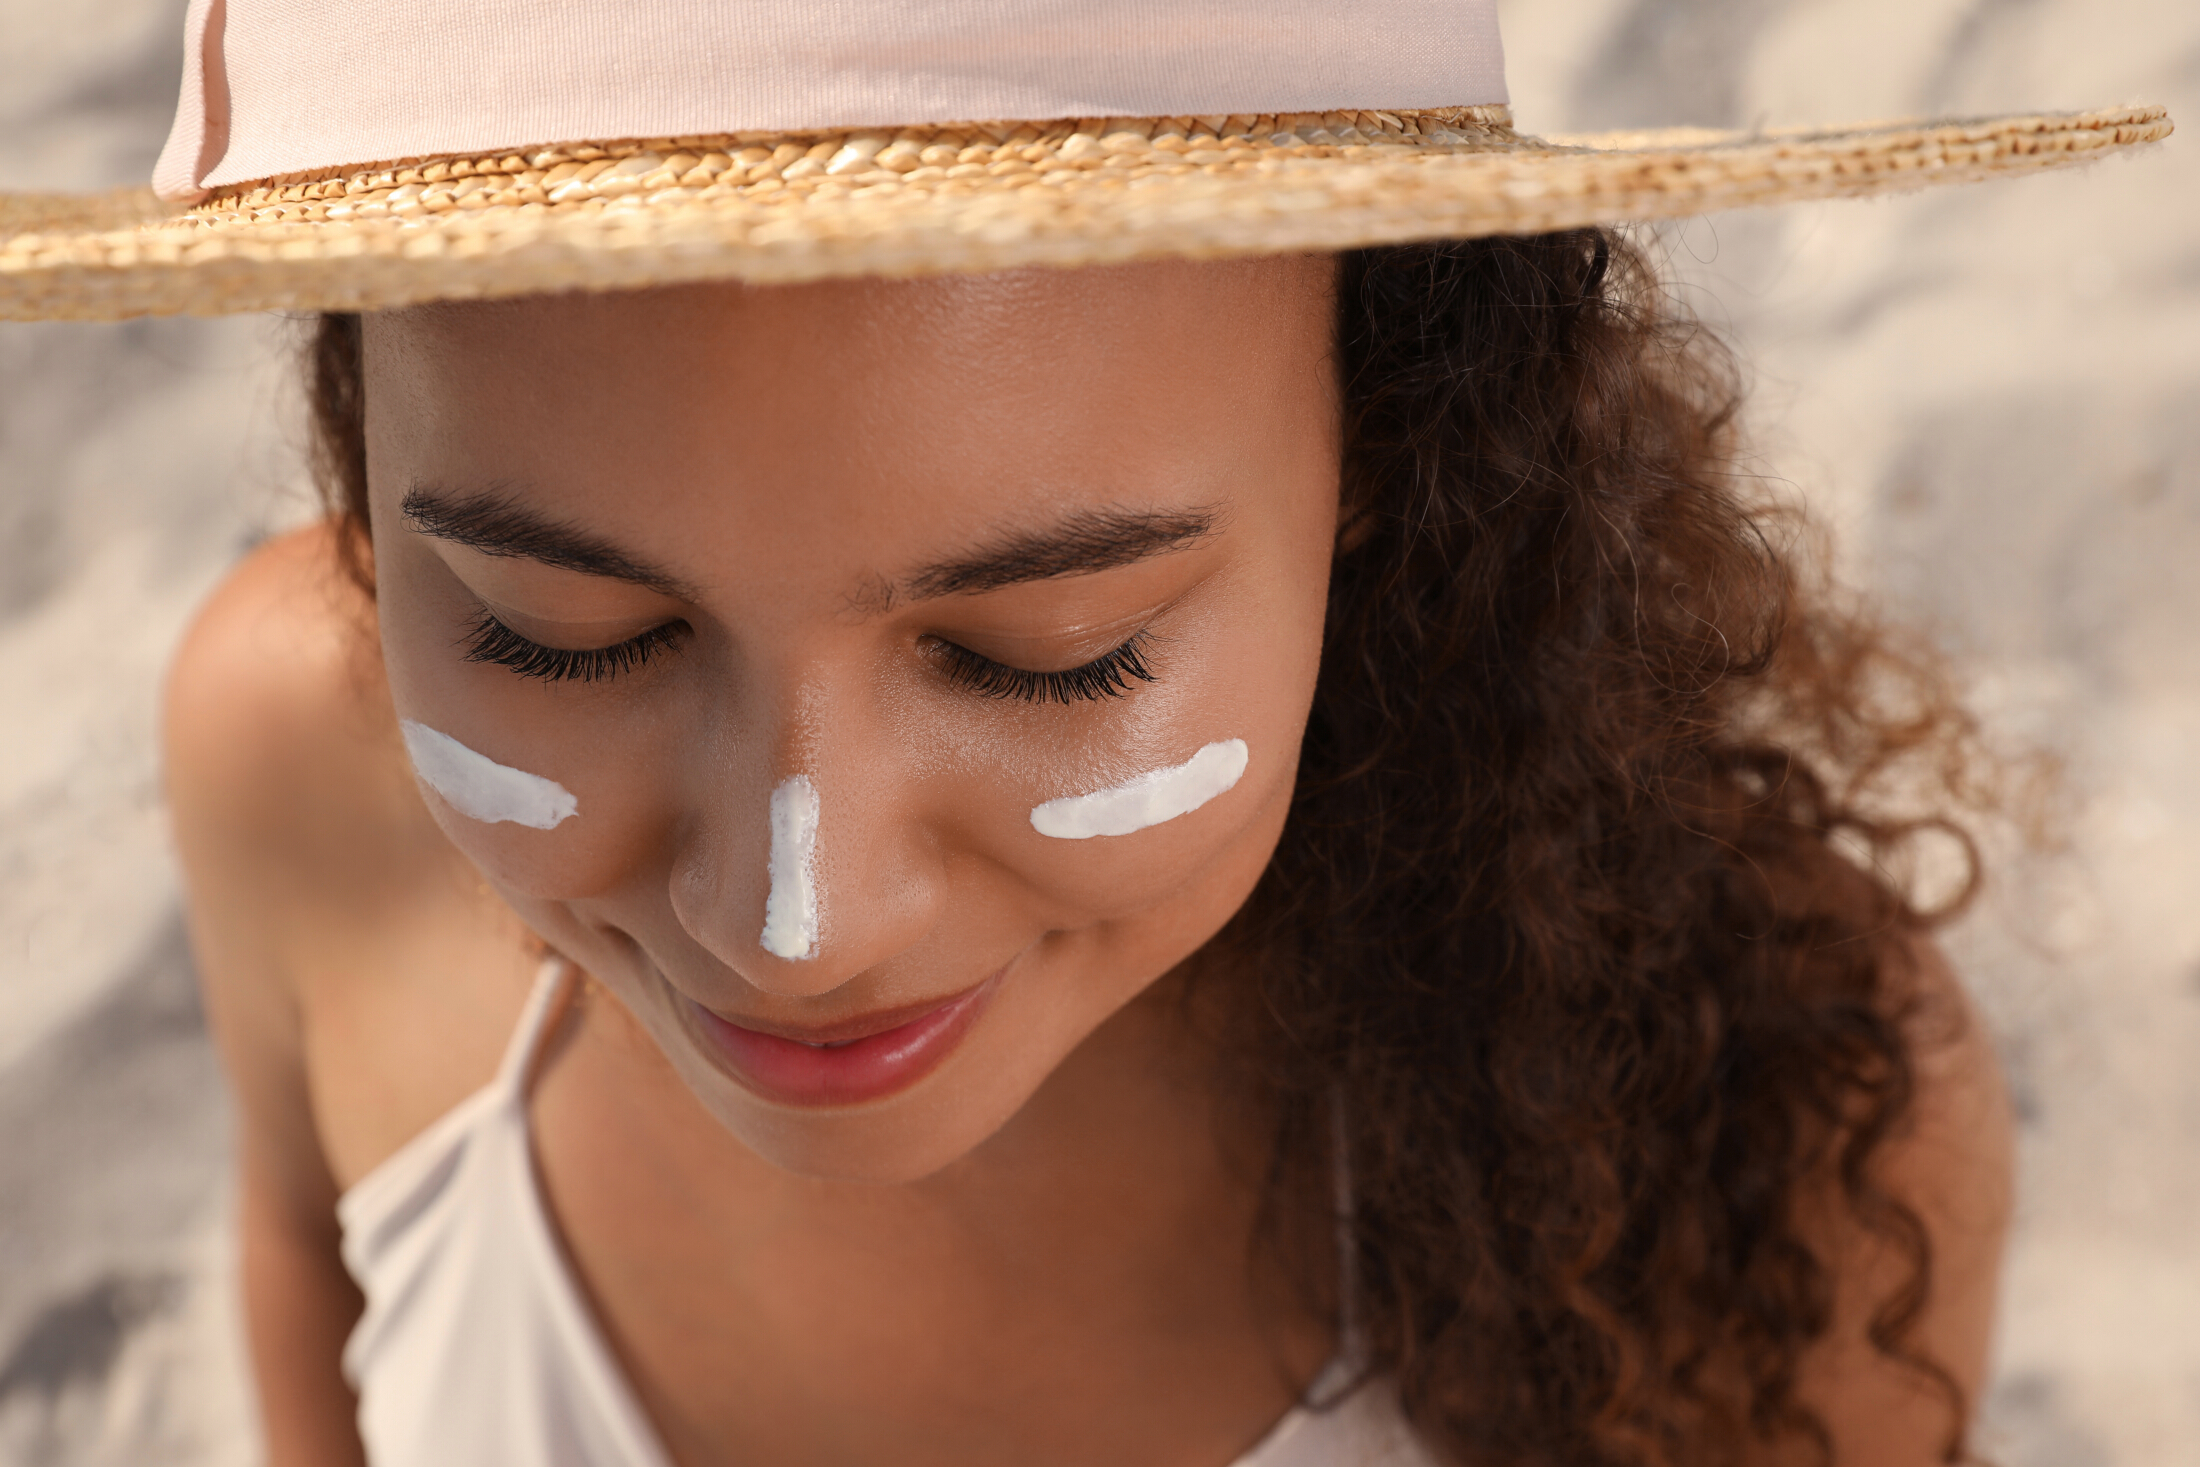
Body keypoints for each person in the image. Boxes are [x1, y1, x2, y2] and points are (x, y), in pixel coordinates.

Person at [2, 2, 2170, 1463]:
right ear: (360, 469)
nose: (799, 920)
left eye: (1046, 651)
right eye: (559, 634)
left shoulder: (1746, 1106)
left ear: (1395, 466)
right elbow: (315, 1275)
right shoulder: (295, 748)